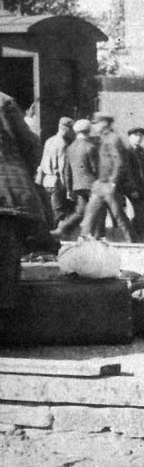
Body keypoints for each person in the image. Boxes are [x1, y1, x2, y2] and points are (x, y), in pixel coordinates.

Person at [0, 93, 56, 315]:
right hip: (7, 196)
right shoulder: (2, 101)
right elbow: (31, 145)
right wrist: (22, 171)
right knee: (5, 267)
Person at [80, 114, 137, 242]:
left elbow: (119, 162)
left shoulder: (113, 139)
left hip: (108, 185)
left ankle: (132, 242)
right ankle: (83, 238)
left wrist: (113, 182)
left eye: (96, 123)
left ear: (104, 123)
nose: (94, 126)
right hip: (101, 184)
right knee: (90, 213)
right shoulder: (104, 138)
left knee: (119, 216)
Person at [53, 119, 98, 237]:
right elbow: (95, 169)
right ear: (88, 131)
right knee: (97, 209)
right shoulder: (91, 147)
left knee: (80, 211)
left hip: (77, 185)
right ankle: (92, 235)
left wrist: (69, 189)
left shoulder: (70, 148)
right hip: (92, 184)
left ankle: (62, 229)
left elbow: (67, 171)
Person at [36, 116, 74, 226]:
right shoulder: (63, 144)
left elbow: (43, 162)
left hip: (46, 181)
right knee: (57, 212)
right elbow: (62, 168)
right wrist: (67, 189)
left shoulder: (49, 141)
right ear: (67, 129)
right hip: (56, 181)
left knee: (47, 211)